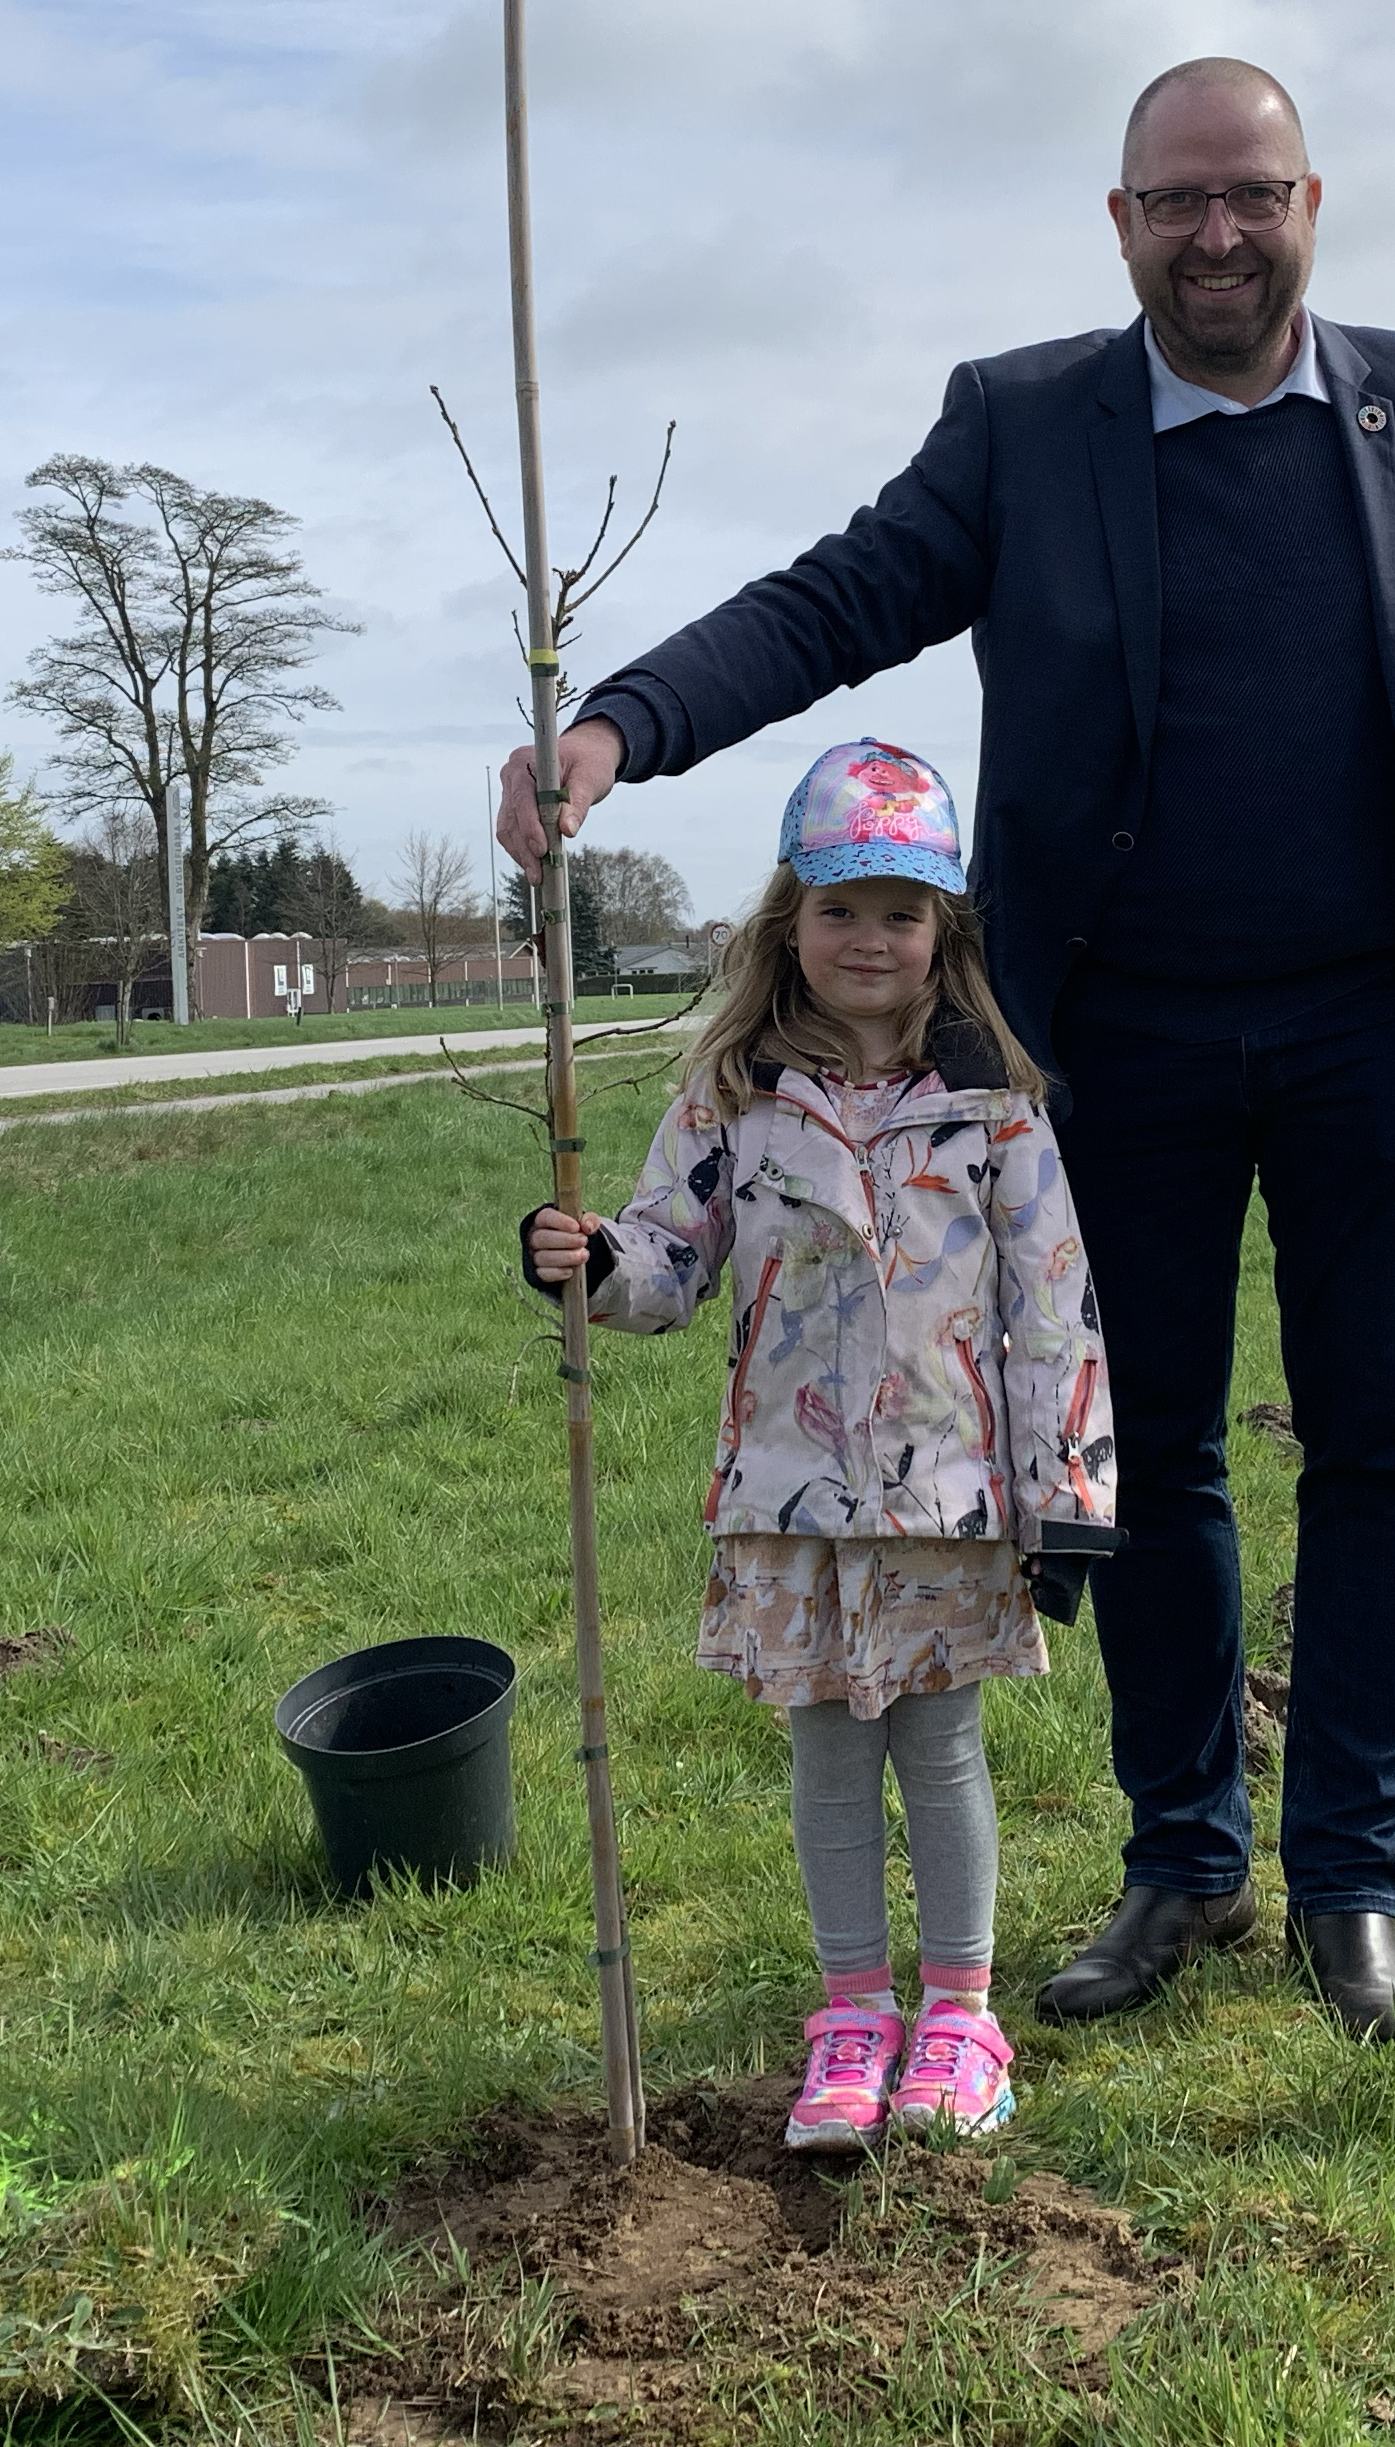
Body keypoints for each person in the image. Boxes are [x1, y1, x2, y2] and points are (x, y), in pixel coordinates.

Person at [500, 57, 1395, 2041]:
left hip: (1383, 1021)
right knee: (1154, 1463)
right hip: (1116, 1040)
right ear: (1122, 225)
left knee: (1387, 1455)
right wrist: (626, 723)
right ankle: (1188, 1856)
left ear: (1312, 205)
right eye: (1178, 200)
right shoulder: (1025, 427)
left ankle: (1350, 1888)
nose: (1220, 231)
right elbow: (838, 598)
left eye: (1254, 195)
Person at [517, 742, 1117, 2145]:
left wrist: (1071, 1491)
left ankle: (962, 2020)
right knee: (828, 1760)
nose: (870, 938)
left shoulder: (995, 1108)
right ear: (791, 919)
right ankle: (851, 2018)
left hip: (951, 1504)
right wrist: (595, 1262)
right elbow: (670, 1262)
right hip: (786, 1499)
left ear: (944, 932)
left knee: (941, 1750)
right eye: (841, 907)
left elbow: (1053, 1307)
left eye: (901, 911)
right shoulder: (732, 1097)